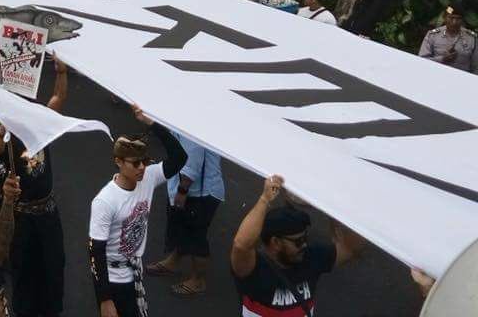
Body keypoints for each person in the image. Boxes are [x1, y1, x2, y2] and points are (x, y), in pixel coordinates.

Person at [89, 105, 187, 317]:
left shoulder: (148, 178)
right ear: (118, 162)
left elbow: (180, 158)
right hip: (114, 279)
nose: (142, 167)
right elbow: (95, 252)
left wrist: (152, 124)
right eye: (135, 163)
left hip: (134, 272)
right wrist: (105, 300)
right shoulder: (105, 201)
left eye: (145, 161)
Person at [0, 56, 68, 317]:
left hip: (47, 212)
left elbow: (58, 97)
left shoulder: (41, 126)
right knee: (23, 272)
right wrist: (2, 129)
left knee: (54, 267)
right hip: (21, 217)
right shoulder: (9, 136)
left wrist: (62, 71)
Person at [231, 175, 364, 317]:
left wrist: (333, 206)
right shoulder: (253, 268)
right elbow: (241, 244)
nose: (305, 244)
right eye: (298, 241)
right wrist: (264, 199)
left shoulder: (311, 257)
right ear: (276, 242)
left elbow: (351, 248)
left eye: (305, 238)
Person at [145, 133, 224, 297]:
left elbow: (192, 161)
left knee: (196, 238)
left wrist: (182, 190)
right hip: (188, 189)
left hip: (200, 193)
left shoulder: (194, 123)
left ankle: (198, 281)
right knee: (181, 228)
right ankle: (173, 263)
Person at [418, 4, 478, 73]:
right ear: (444, 18)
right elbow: (422, 61)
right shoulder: (433, 35)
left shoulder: (471, 38)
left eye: (458, 19)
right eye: (451, 18)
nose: (454, 22)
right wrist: (442, 59)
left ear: (462, 20)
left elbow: (476, 67)